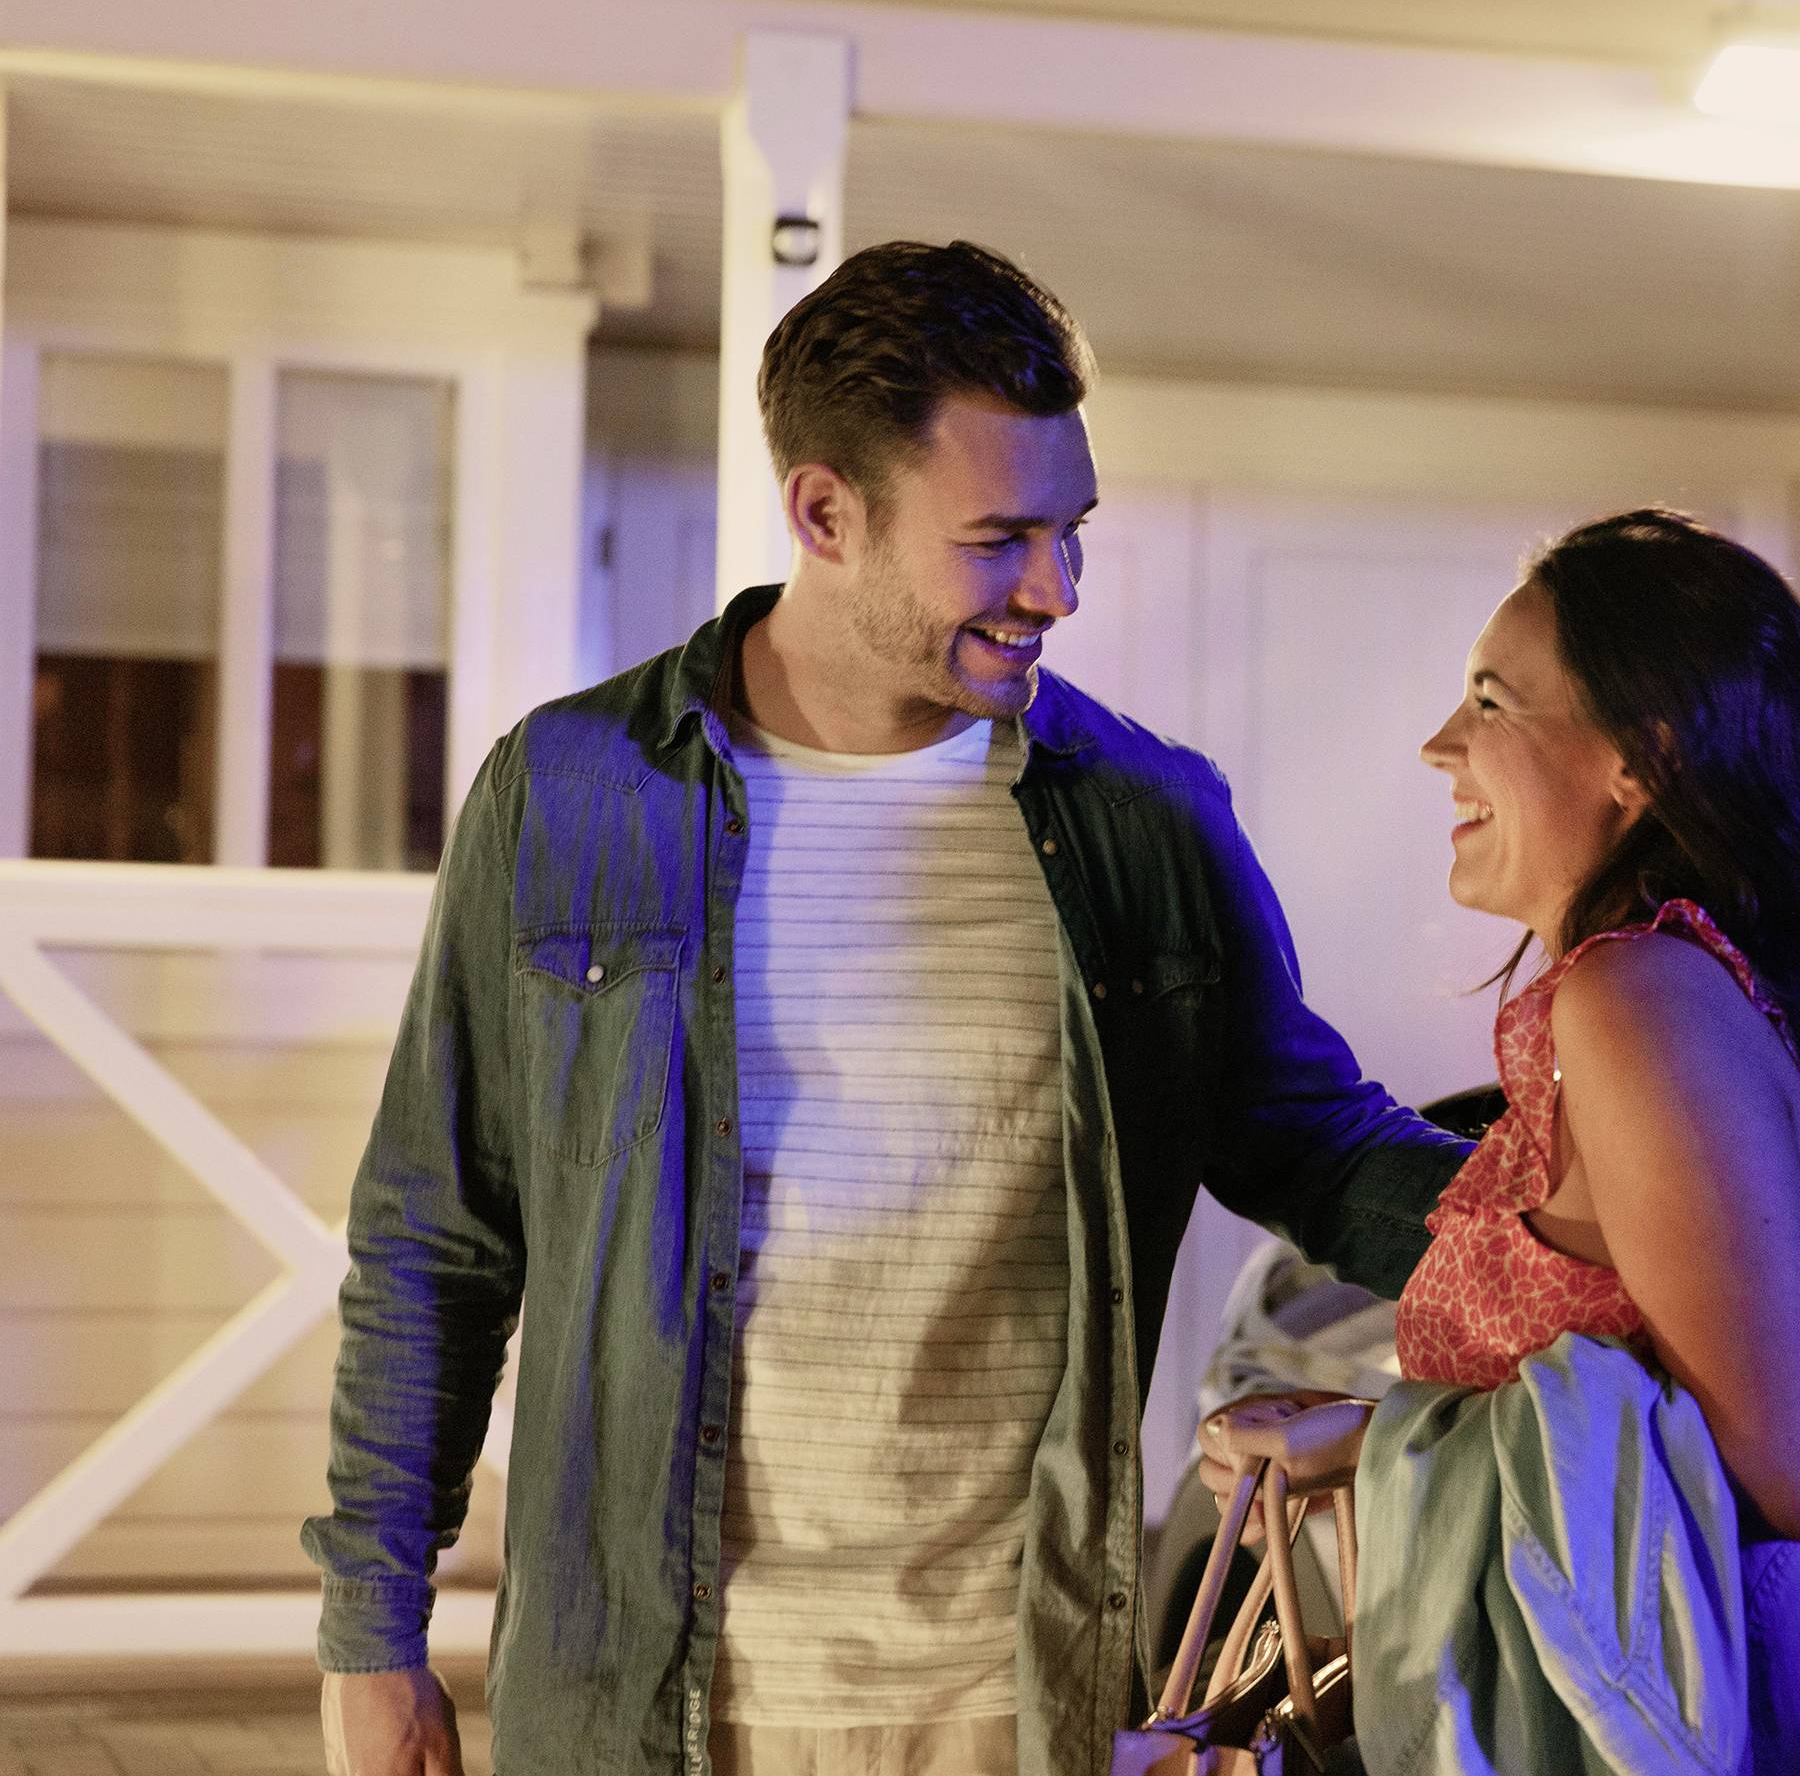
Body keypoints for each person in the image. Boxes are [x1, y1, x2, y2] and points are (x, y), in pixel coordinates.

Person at [304, 240, 1468, 1776]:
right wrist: (370, 1629)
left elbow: (1319, 1148)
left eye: (1073, 529)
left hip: (1005, 1703)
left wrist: (1611, 1238)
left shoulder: (1144, 827)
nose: (1056, 588)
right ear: (824, 512)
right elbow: (438, 1241)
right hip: (638, 1702)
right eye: (1001, 540)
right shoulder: (573, 794)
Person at [1383, 508, 1800, 1765]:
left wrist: (1384, 1441)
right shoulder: (1650, 987)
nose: (1439, 745)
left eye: (1489, 701)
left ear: (1638, 758)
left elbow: (1792, 1472)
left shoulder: (1635, 997)